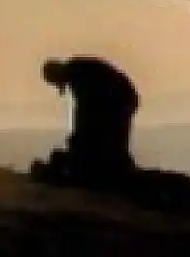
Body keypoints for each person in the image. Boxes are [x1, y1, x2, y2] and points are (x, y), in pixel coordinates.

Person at [42, 56, 139, 185]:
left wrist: (78, 138)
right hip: (118, 99)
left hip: (119, 100)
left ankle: (119, 171)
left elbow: (85, 111)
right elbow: (86, 112)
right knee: (109, 141)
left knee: (111, 141)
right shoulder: (76, 72)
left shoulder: (79, 75)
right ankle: (117, 169)